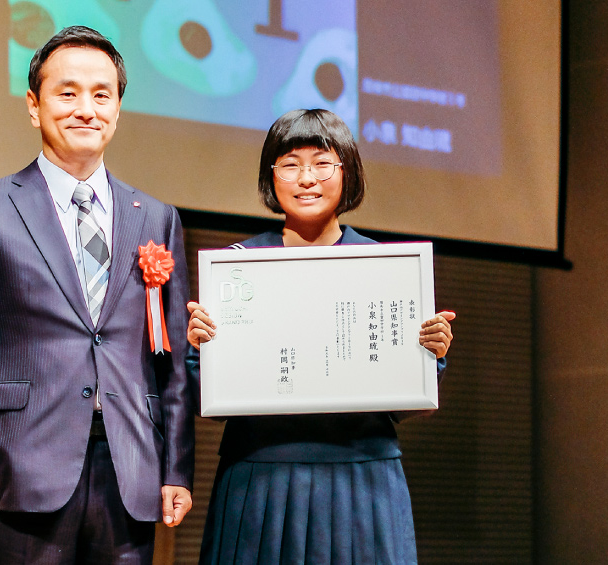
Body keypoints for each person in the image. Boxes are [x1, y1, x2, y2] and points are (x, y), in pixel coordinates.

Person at [0, 26, 194, 564]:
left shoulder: (157, 218)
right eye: (67, 92)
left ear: (118, 110)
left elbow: (170, 361)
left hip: (131, 466)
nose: (86, 109)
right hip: (23, 464)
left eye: (102, 95)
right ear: (34, 106)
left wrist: (176, 469)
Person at [186, 108, 455, 564]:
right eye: (290, 164)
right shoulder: (236, 266)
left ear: (346, 173)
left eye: (322, 163)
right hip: (260, 476)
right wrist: (201, 350)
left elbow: (407, 401)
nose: (306, 177)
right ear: (271, 177)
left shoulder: (386, 268)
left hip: (361, 478)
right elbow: (203, 394)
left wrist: (430, 353)